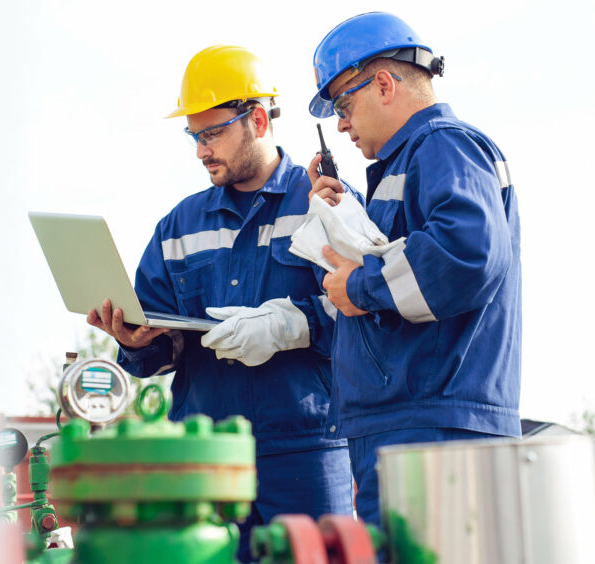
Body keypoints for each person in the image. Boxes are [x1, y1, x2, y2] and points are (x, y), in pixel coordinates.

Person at [87, 45, 353, 561]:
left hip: (305, 449)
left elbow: (366, 315)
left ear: (257, 119)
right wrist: (135, 341)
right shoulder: (179, 226)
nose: (200, 150)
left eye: (212, 134)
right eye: (194, 135)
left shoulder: (325, 202)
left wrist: (288, 326)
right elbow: (160, 342)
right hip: (203, 457)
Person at [307, 12, 522, 526]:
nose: (339, 123)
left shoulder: (443, 143)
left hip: (433, 428)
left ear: (384, 84)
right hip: (411, 424)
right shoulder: (415, 161)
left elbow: (466, 252)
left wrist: (359, 286)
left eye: (342, 103)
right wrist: (348, 212)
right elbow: (414, 249)